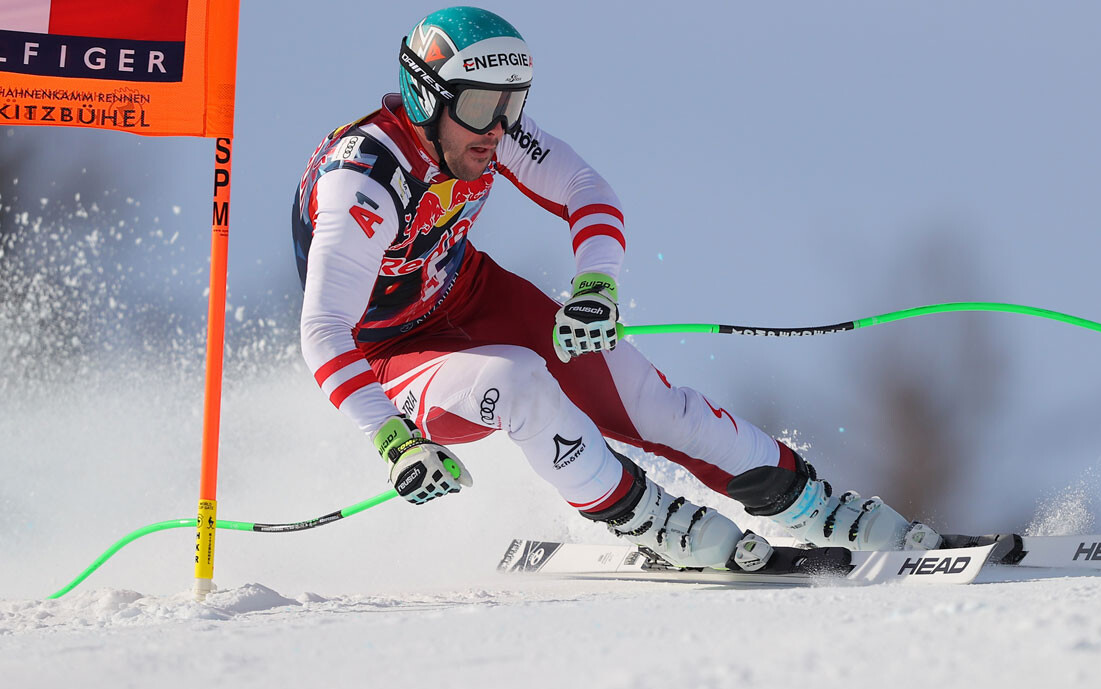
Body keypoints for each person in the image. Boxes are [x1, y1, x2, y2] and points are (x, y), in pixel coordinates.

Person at [291, 6, 942, 573]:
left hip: (468, 293)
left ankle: (824, 509)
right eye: (483, 105)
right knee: (519, 381)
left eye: (513, 102)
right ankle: (645, 516)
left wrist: (596, 287)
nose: (499, 127)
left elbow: (586, 190)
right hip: (391, 354)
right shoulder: (367, 183)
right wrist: (392, 438)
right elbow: (323, 330)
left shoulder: (485, 130)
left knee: (649, 401)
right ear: (428, 97)